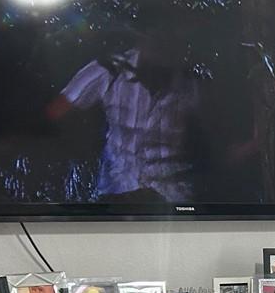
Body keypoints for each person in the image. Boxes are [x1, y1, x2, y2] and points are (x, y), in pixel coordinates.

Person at [45, 19, 202, 204]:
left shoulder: (191, 83)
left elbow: (214, 139)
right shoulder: (108, 70)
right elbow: (54, 115)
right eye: (155, 35)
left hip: (173, 201)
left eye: (169, 37)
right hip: (118, 196)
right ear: (141, 36)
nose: (161, 43)